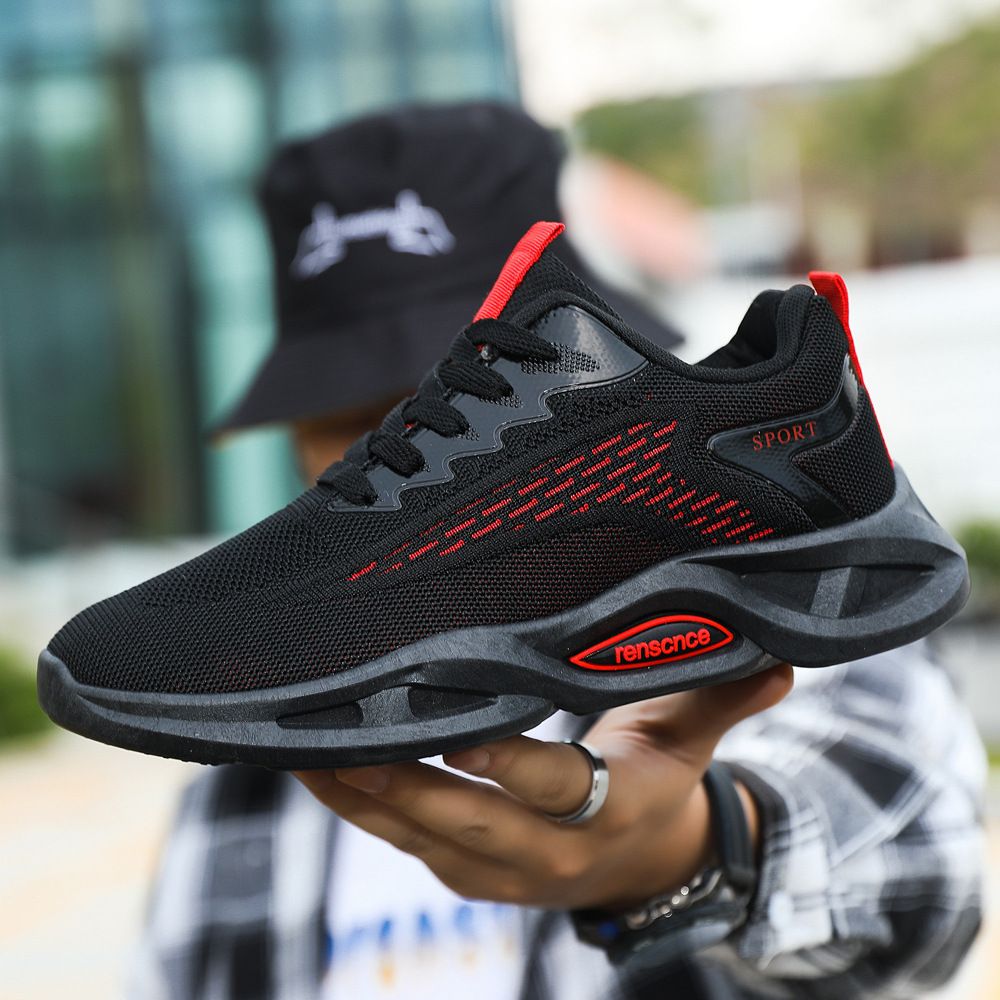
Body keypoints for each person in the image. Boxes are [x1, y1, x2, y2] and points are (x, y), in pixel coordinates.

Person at [129, 102, 985, 999]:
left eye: (447, 419)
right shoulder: (231, 786)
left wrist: (690, 855)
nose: (397, 469)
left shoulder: (771, 611)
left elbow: (929, 884)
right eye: (354, 428)